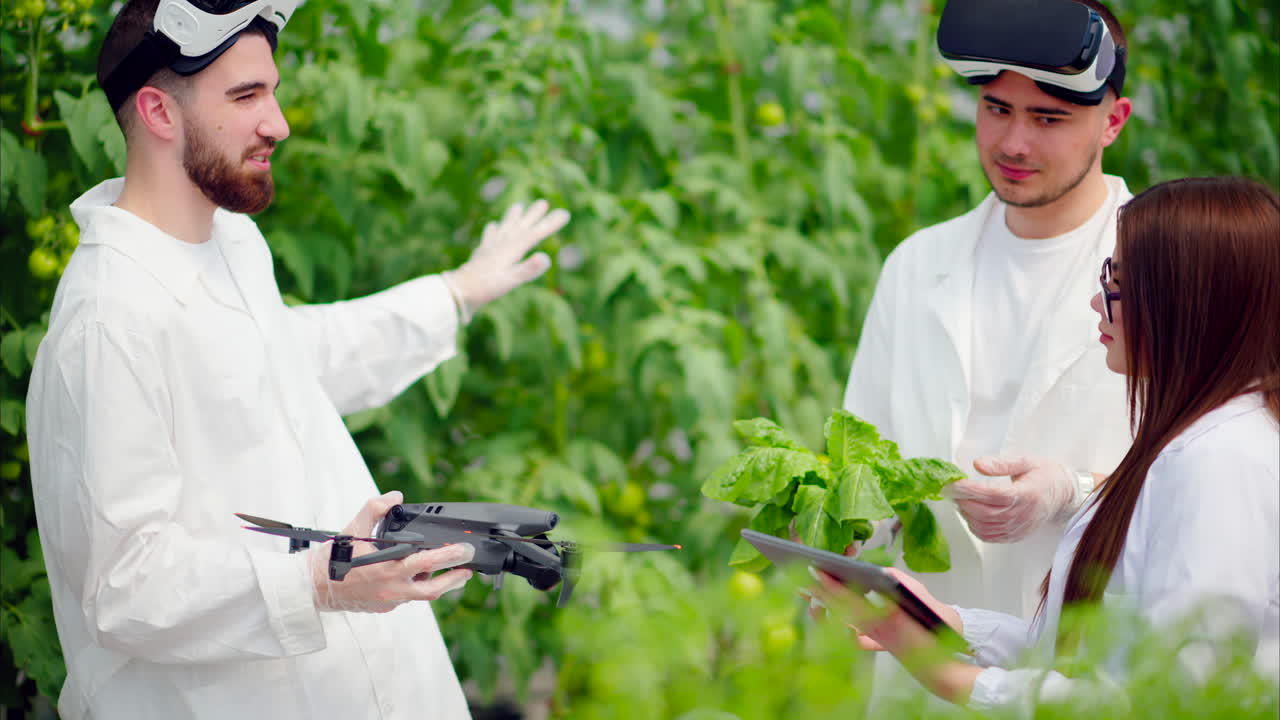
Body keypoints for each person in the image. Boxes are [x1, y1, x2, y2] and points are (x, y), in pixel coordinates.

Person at [25, 1, 568, 718]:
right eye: (246, 96)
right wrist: (321, 581)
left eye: (271, 91)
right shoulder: (109, 320)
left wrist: (455, 293)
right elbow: (122, 585)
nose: (277, 122)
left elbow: (293, 361)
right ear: (158, 112)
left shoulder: (229, 245)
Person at [816, 175, 1280, 710]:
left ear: (1189, 303)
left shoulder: (1220, 462)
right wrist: (950, 620)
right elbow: (1098, 651)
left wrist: (943, 673)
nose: (1096, 302)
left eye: (1119, 284)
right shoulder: (1201, 441)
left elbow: (1172, 696)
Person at [844, 0, 1134, 621]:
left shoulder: (1168, 272)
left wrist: (1073, 494)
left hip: (1081, 653)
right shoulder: (917, 265)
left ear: (1114, 122)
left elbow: (1218, 481)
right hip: (919, 654)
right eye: (996, 109)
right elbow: (862, 460)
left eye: (1048, 118)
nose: (1013, 142)